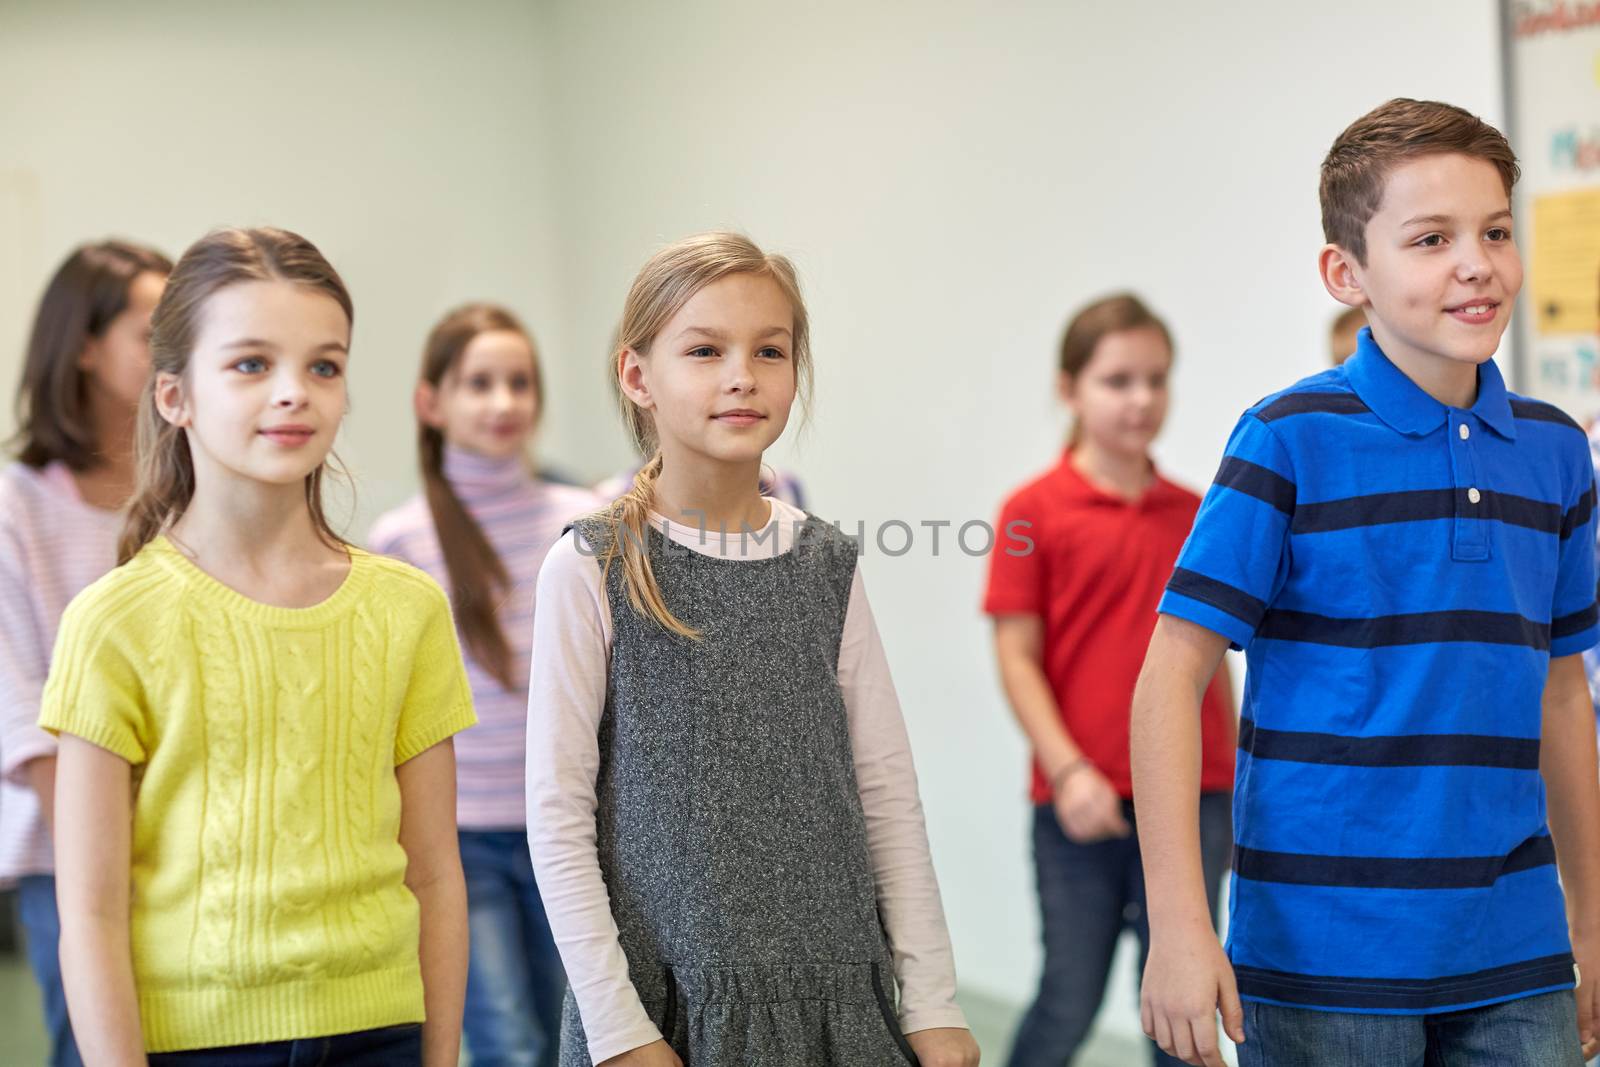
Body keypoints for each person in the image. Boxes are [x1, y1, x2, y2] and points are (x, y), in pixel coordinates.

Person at [1133, 99, 1600, 1067]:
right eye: (1430, 239)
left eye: (1495, 232)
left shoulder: (1557, 452)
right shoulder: (1287, 439)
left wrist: (1590, 922)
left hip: (1515, 951)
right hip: (1321, 955)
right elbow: (1170, 677)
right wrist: (1181, 926)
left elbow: (1561, 691)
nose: (1475, 262)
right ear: (1347, 273)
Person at [525, 231, 979, 1067]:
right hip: (673, 1009)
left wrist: (933, 999)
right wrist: (621, 1030)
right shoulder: (589, 566)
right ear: (638, 377)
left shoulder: (825, 564)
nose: (742, 374)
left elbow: (885, 792)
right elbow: (558, 820)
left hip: (838, 1001)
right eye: (704, 350)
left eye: (769, 350)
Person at [41, 227, 476, 1066]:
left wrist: (442, 1055)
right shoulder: (112, 621)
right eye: (250, 364)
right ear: (175, 395)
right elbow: (89, 914)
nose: (294, 393)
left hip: (382, 1033)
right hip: (192, 1046)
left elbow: (434, 875)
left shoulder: (407, 607)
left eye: (324, 365)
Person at [985, 293, 1234, 1067]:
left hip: (1198, 796)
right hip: (1078, 801)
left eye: (1156, 379)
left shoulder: (1200, 512)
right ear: (1071, 390)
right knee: (1071, 993)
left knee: (1185, 1002)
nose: (1141, 399)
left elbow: (1214, 660)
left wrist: (1242, 771)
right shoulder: (1031, 512)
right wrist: (1068, 771)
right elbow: (1016, 654)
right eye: (1118, 379)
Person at [370, 303, 599, 1067]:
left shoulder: (587, 519)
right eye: (479, 384)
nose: (503, 403)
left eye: (519, 383)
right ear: (430, 403)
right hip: (461, 838)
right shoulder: (400, 541)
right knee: (509, 1039)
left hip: (571, 823)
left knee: (584, 1031)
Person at [0, 238, 171, 1067]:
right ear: (82, 345)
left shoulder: (193, 495)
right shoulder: (15, 505)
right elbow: (17, 704)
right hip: (65, 856)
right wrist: (103, 842)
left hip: (196, 846)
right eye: (152, 331)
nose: (173, 350)